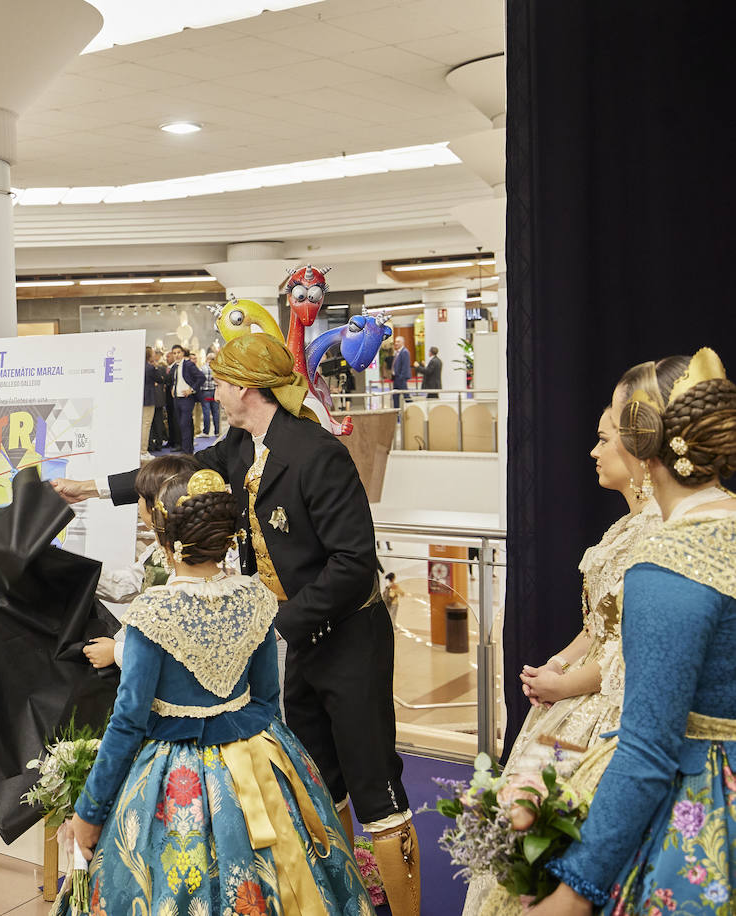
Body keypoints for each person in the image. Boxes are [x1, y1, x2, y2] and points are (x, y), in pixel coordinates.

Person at [53, 331, 421, 915]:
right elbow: (177, 475)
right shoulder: (241, 446)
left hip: (349, 642)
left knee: (376, 791)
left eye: (220, 382)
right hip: (298, 641)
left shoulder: (318, 453)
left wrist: (273, 621)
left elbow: (355, 563)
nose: (212, 392)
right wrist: (95, 488)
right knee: (318, 788)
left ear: (247, 388)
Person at [59, 470, 374, 915]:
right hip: (260, 763)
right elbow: (267, 703)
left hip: (173, 776)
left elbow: (128, 722)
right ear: (225, 539)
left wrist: (89, 814)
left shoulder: (153, 611)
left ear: (166, 542)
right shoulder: (257, 597)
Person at [536, 348, 736, 916]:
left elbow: (649, 750)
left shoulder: (668, 564)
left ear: (643, 449)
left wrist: (574, 892)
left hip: (705, 810)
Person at [459, 400, 660, 916]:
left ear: (638, 445)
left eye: (603, 438)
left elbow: (637, 647)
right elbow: (600, 626)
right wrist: (556, 662)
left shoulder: (659, 533)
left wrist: (567, 684)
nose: (593, 451)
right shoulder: (624, 528)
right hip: (578, 693)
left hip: (610, 712)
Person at [86, 454, 201, 669]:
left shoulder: (187, 571)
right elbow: (129, 584)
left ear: (160, 504)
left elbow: (173, 648)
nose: (137, 504)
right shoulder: (158, 549)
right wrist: (82, 574)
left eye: (139, 498)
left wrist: (117, 652)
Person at [167, 344, 206, 453]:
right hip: (177, 399)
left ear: (183, 353)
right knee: (184, 424)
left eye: (178, 352)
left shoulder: (188, 365)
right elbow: (175, 380)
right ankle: (189, 449)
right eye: (174, 353)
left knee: (184, 424)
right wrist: (173, 388)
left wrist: (192, 389)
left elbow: (201, 377)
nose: (176, 355)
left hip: (186, 399)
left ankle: (186, 451)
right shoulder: (174, 366)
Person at [141, 346, 166, 458]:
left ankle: (141, 449)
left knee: (142, 425)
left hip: (140, 399)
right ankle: (143, 451)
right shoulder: (150, 368)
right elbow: (160, 379)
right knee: (146, 425)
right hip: (148, 399)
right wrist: (155, 367)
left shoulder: (139, 367)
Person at [200, 352, 221, 437]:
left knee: (206, 412)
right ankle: (217, 432)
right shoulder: (217, 369)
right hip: (214, 392)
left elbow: (200, 380)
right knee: (215, 412)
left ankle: (206, 432)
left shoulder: (202, 368)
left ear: (207, 358)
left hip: (205, 393)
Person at [391, 336, 412, 408]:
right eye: (395, 341)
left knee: (406, 396)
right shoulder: (397, 352)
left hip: (401, 378)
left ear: (402, 342)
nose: (396, 343)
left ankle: (412, 410)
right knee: (395, 396)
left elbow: (405, 366)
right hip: (396, 378)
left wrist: (401, 377)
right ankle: (396, 412)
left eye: (398, 341)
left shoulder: (405, 352)